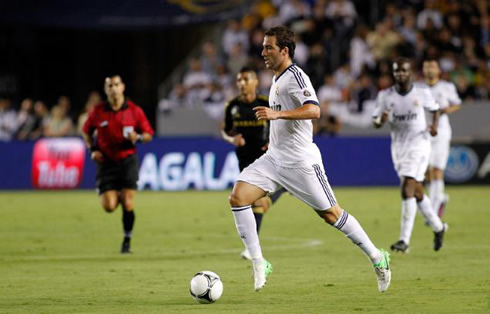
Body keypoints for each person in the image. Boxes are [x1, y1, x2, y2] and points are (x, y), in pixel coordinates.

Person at [229, 26, 391, 293]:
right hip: (274, 158)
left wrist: (276, 116)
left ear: (284, 50)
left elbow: (314, 110)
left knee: (331, 215)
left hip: (301, 163)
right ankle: (259, 262)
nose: (263, 52)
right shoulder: (277, 77)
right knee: (238, 196)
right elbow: (285, 115)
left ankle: (377, 257)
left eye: (268, 47)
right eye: (263, 47)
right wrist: (276, 134)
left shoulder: (296, 77)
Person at [373, 58, 447, 254]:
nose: (400, 75)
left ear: (410, 72)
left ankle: (403, 240)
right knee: (417, 192)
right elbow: (376, 121)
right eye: (397, 71)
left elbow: (436, 109)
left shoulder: (422, 93)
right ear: (393, 73)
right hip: (398, 148)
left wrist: (434, 127)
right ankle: (438, 227)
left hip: (420, 145)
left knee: (407, 188)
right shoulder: (385, 95)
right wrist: (382, 119)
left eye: (404, 71)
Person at [82, 75, 154, 254]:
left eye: (116, 84)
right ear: (106, 90)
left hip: (127, 160)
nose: (113, 88)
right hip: (106, 163)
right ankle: (116, 195)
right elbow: (86, 132)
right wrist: (92, 150)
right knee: (109, 206)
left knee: (128, 203)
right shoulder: (98, 111)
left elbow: (148, 134)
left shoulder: (134, 111)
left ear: (122, 87)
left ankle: (127, 241)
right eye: (109, 85)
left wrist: (137, 137)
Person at [222, 66, 285, 260]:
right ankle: (279, 191)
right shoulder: (232, 106)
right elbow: (225, 131)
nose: (242, 84)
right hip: (244, 159)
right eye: (239, 80)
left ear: (256, 82)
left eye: (246, 80)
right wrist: (232, 140)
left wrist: (273, 142)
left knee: (252, 202)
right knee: (254, 204)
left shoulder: (266, 103)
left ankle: (252, 249)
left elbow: (283, 125)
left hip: (266, 158)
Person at [421, 59, 461, 218]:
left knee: (437, 169)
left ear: (438, 70)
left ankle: (434, 207)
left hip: (441, 131)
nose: (430, 69)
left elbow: (457, 104)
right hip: (424, 132)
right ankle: (440, 198)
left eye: (432, 66)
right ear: (423, 70)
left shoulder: (447, 86)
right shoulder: (418, 88)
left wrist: (445, 110)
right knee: (426, 170)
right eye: (427, 66)